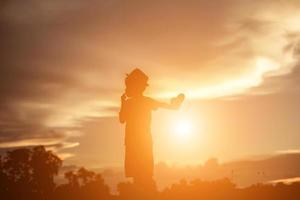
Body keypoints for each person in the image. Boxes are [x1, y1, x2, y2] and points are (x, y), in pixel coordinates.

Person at [119, 68, 184, 190]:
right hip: (142, 143)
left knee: (140, 178)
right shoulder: (144, 102)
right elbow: (171, 107)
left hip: (137, 144)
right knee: (143, 177)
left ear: (134, 87)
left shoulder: (135, 103)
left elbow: (122, 119)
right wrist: (176, 103)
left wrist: (123, 103)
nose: (127, 89)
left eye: (128, 86)